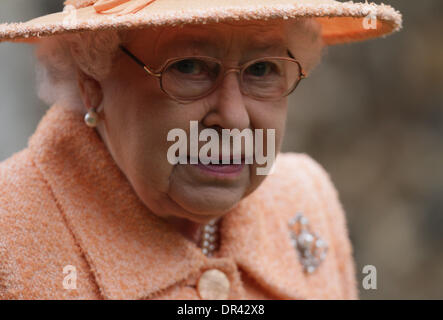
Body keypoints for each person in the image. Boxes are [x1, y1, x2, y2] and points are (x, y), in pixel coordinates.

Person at [0, 0, 402, 299]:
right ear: (92, 80)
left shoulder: (305, 199)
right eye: (189, 66)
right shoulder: (9, 234)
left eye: (261, 69)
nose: (234, 118)